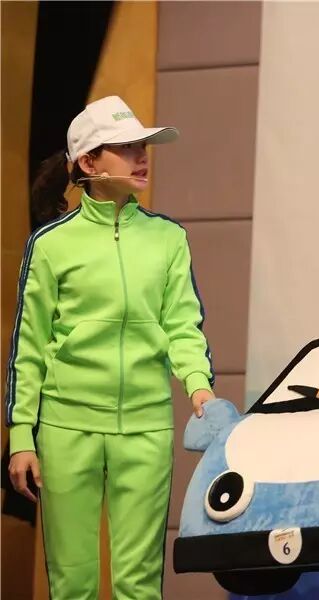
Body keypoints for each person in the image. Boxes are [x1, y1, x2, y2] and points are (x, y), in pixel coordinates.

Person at [6, 95, 216, 599]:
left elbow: (183, 325)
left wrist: (199, 387)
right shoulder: (50, 244)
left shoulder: (168, 238)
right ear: (88, 163)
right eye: (125, 147)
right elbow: (28, 347)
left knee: (139, 584)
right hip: (65, 427)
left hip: (146, 426)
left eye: (143, 145)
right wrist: (20, 436)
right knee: (72, 583)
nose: (141, 156)